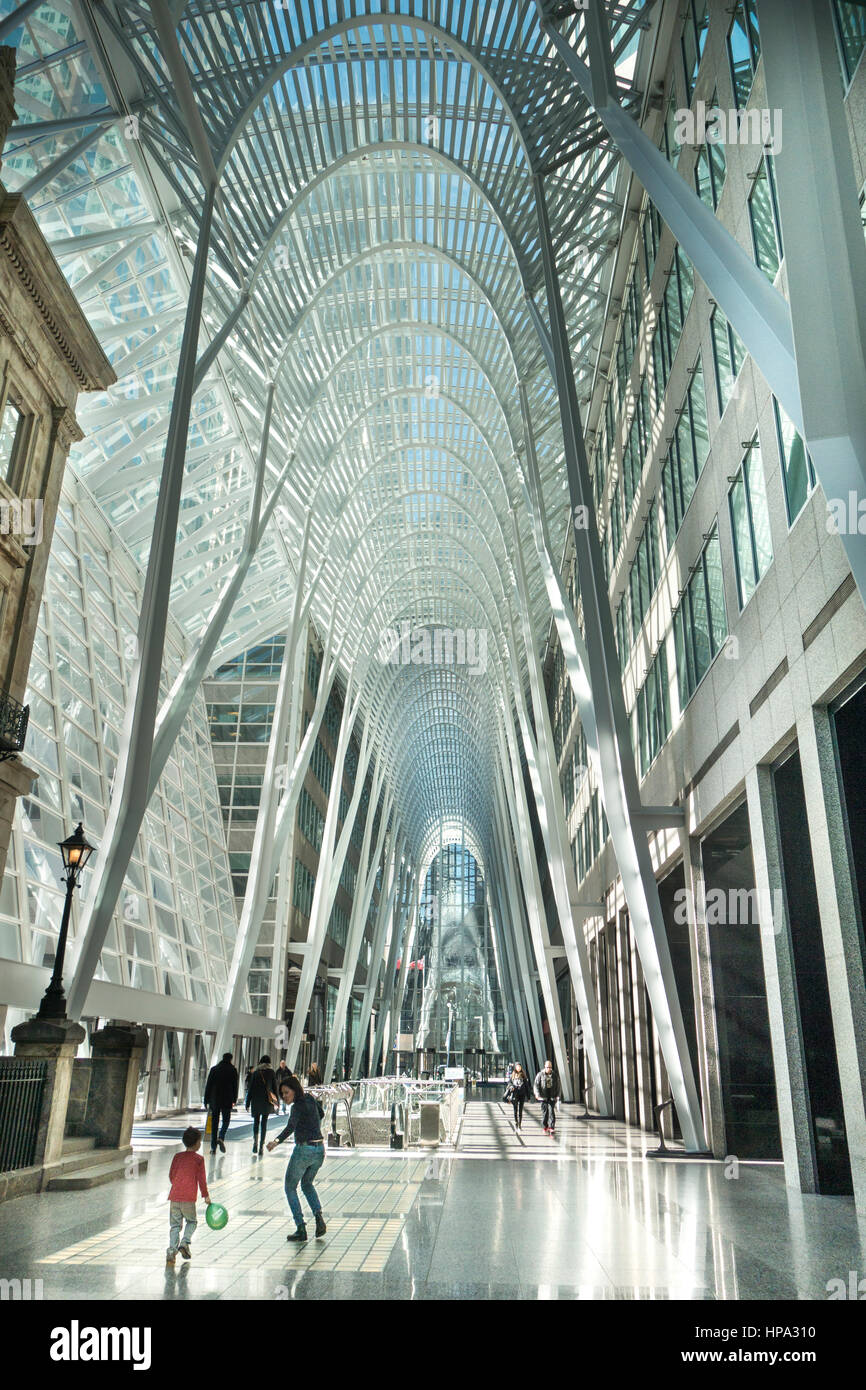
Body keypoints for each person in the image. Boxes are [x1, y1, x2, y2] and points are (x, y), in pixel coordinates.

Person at [266, 1075, 327, 1242]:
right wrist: (310, 1125)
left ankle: (300, 1227)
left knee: (290, 1187)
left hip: (304, 1149)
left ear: (294, 1090)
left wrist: (276, 1141)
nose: (284, 1096)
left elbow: (291, 1126)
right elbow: (321, 1114)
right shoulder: (310, 1098)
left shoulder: (297, 1107)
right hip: (319, 1149)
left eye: (286, 1092)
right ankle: (319, 1218)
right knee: (307, 1184)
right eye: (282, 1093)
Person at [166, 1126, 210, 1267]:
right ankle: (185, 1242)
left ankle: (171, 1251)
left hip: (174, 1196)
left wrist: (177, 1186)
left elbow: (171, 1175)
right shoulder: (199, 1159)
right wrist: (206, 1196)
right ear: (197, 1143)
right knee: (192, 1222)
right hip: (188, 1198)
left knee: (175, 1225)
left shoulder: (177, 1157)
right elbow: (201, 1179)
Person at [204, 1051, 238, 1154]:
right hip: (227, 1099)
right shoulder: (233, 1070)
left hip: (215, 1100)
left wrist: (206, 1099)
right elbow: (235, 1086)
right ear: (230, 1059)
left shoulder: (214, 1069)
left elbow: (208, 1085)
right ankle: (221, 1137)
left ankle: (213, 1147)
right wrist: (234, 1099)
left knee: (215, 1123)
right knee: (226, 1121)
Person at [245, 1055, 278, 1155]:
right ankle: (261, 1146)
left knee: (256, 1122)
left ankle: (255, 1142)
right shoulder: (271, 1072)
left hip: (256, 1100)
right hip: (266, 1101)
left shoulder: (255, 1073)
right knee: (264, 1123)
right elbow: (274, 1087)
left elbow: (250, 1089)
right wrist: (277, 1102)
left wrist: (247, 1102)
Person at [534, 1059, 561, 1134]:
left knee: (551, 1112)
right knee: (545, 1113)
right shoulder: (540, 1075)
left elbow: (558, 1086)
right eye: (547, 1067)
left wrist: (558, 1095)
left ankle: (551, 1127)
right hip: (543, 1097)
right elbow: (536, 1085)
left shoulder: (554, 1075)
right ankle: (545, 1126)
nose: (549, 1069)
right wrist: (537, 1094)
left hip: (552, 1096)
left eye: (550, 1067)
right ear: (544, 1067)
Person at [505, 1063, 531, 1131]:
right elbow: (509, 1082)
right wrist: (511, 1086)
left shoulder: (523, 1075)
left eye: (520, 1066)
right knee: (515, 1109)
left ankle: (519, 1124)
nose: (519, 1068)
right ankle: (516, 1123)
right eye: (517, 1066)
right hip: (515, 1094)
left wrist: (528, 1097)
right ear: (515, 1067)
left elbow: (527, 1086)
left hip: (522, 1094)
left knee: (520, 1110)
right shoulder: (513, 1074)